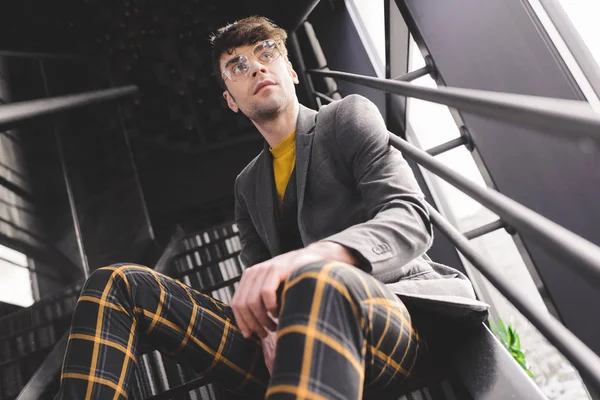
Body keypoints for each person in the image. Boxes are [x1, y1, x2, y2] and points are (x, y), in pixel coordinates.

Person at [55, 16, 488, 400]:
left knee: (318, 280)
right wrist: (267, 327)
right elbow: (257, 277)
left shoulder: (346, 118)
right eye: (237, 66)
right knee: (119, 283)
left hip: (391, 322)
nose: (256, 66)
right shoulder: (247, 185)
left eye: (267, 52)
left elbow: (410, 218)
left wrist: (309, 261)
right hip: (287, 344)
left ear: (292, 72)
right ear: (230, 100)